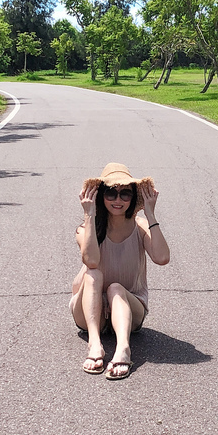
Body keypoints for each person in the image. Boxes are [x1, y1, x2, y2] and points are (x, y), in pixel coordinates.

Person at [69, 163, 170, 380]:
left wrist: (150, 214)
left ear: (133, 198)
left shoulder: (141, 226)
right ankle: (95, 345)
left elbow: (162, 258)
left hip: (129, 308)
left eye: (125, 194)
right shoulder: (86, 229)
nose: (118, 200)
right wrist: (89, 214)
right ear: (100, 196)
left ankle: (123, 348)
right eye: (111, 193)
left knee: (116, 288)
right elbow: (92, 261)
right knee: (93, 274)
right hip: (89, 310)